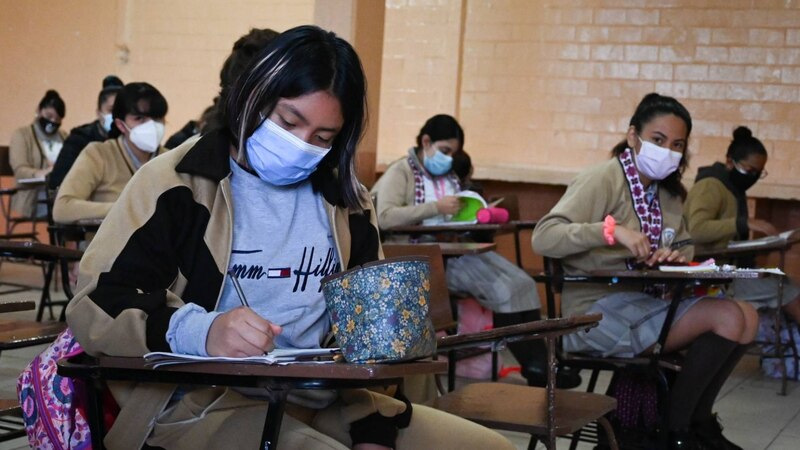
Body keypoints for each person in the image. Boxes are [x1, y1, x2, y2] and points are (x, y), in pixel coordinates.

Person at [65, 26, 515, 450]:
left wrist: (373, 426)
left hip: (328, 398)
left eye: (323, 136)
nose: (302, 144)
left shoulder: (346, 201)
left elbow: (370, 338)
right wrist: (201, 330)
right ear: (252, 96)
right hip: (201, 403)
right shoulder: (178, 183)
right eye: (288, 121)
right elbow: (95, 306)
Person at [532, 93, 758, 450]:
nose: (668, 150)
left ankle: (697, 423)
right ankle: (677, 431)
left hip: (643, 299)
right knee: (729, 316)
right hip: (595, 311)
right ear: (633, 135)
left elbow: (684, 244)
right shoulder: (602, 179)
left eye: (677, 144)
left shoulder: (668, 194)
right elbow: (543, 237)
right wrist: (609, 231)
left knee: (748, 316)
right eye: (658, 140)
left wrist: (675, 256)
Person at [370, 114, 581, 389]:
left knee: (524, 284)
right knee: (503, 291)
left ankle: (541, 363)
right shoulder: (401, 172)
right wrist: (436, 208)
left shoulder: (445, 174)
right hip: (425, 261)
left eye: (452, 153)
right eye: (444, 150)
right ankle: (536, 366)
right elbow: (384, 217)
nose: (448, 158)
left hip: (458, 250)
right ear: (426, 141)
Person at [684, 126, 800, 323]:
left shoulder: (733, 189)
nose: (753, 177)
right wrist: (743, 223)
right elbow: (696, 231)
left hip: (730, 271)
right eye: (750, 170)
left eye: (759, 173)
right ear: (730, 162)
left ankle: (782, 345)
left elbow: (732, 240)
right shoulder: (710, 185)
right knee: (789, 291)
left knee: (784, 281)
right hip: (710, 276)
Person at [52, 82, 169, 223]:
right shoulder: (98, 154)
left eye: (157, 118)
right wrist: (124, 209)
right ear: (121, 124)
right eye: (139, 118)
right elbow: (62, 209)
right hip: (110, 243)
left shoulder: (171, 159)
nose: (151, 126)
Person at [48, 75, 124, 189]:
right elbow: (58, 182)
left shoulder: (130, 140)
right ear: (99, 113)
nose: (116, 116)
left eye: (122, 111)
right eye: (111, 110)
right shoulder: (79, 139)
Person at [9, 89, 67, 217]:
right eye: (49, 116)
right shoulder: (22, 135)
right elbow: (20, 170)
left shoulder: (64, 136)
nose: (52, 121)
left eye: (57, 119)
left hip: (60, 197)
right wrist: (43, 173)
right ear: (39, 110)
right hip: (34, 197)